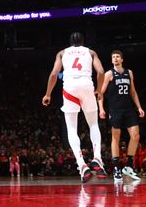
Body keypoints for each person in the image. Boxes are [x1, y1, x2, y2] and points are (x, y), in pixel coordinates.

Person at [42, 32, 106, 183]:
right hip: (87, 86)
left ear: (70, 42)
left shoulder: (62, 53)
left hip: (70, 88)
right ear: (83, 42)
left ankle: (81, 165)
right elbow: (101, 72)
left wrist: (48, 94)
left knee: (71, 128)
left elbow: (54, 74)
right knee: (93, 124)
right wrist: (99, 89)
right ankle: (97, 157)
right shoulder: (90, 52)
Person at [98, 50, 144, 182]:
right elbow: (100, 93)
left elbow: (133, 92)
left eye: (117, 57)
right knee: (115, 138)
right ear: (112, 60)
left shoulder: (129, 73)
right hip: (115, 110)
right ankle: (117, 168)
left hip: (129, 109)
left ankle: (129, 167)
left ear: (122, 59)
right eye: (113, 57)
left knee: (135, 135)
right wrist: (101, 109)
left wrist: (139, 107)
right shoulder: (109, 74)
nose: (115, 59)